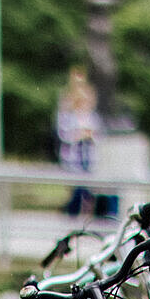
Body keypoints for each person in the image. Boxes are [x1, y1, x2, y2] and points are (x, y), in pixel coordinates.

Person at [56, 67, 99, 216]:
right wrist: (79, 135)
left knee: (88, 192)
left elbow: (98, 135)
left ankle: (85, 217)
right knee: (76, 190)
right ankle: (71, 215)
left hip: (89, 157)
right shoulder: (68, 114)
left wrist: (90, 135)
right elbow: (64, 134)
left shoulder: (92, 117)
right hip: (74, 158)